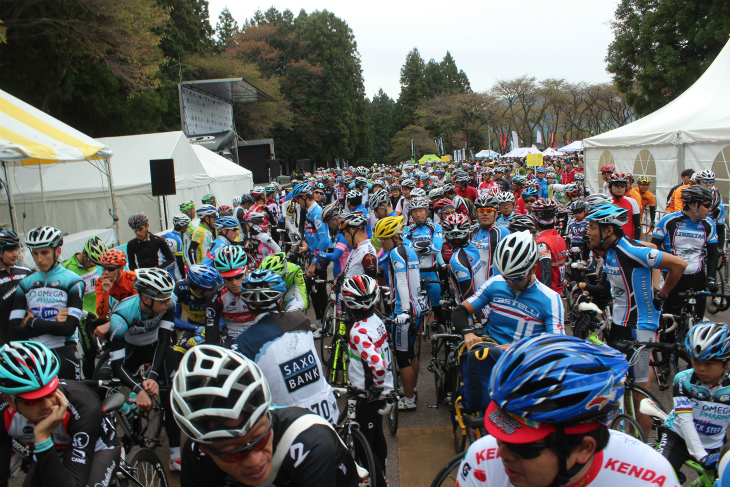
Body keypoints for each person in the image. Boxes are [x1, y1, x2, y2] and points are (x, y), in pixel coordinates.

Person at [456, 334, 680, 487]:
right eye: (500, 437)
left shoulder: (650, 478)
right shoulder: (482, 460)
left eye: (522, 448)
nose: (501, 453)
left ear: (583, 449)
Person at [172, 346, 361, 487]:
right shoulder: (197, 454)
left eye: (260, 439)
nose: (255, 462)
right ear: (206, 448)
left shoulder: (312, 445)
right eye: (232, 453)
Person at [583, 204, 686, 427]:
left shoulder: (630, 251)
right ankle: (625, 433)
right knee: (619, 386)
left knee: (640, 394)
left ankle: (640, 441)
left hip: (639, 327)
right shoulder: (613, 250)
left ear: (608, 230)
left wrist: (661, 294)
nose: (588, 231)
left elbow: (678, 264)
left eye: (591, 227)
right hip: (619, 324)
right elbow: (649, 245)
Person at [0, 341, 121, 487]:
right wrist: (43, 440)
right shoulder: (3, 412)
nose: (48, 404)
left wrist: (43, 436)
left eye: (50, 392)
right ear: (10, 400)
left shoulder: (83, 405)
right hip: (51, 448)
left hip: (97, 449)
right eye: (33, 400)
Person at [232, 269, 338, 423]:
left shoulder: (242, 341)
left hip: (289, 424)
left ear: (248, 307)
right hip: (329, 410)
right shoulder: (300, 318)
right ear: (280, 301)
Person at [107, 267, 181, 470]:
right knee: (103, 384)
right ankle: (113, 445)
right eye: (163, 300)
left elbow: (164, 340)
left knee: (169, 397)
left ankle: (175, 453)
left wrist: (154, 377)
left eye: (169, 298)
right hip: (132, 349)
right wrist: (139, 389)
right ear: (147, 299)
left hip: (158, 347)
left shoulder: (170, 303)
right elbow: (116, 365)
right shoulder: (121, 315)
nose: (169, 302)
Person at [452, 231, 564, 349]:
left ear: (533, 269)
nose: (510, 283)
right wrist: (467, 332)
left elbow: (557, 345)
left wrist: (515, 349)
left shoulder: (551, 299)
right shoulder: (495, 283)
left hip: (526, 362)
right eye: (506, 277)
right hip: (493, 356)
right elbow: (460, 311)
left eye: (517, 277)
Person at [9, 227, 83, 381]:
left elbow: (69, 328)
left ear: (58, 251)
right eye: (35, 253)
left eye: (44, 253)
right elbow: (14, 328)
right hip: (34, 354)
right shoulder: (26, 283)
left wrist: (31, 322)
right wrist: (53, 325)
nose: (39, 259)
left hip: (64, 352)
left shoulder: (73, 281)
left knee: (70, 400)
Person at [658, 323, 730, 478]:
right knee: (658, 478)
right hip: (678, 438)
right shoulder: (683, 380)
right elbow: (686, 421)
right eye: (696, 362)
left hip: (714, 445)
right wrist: (701, 456)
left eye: (709, 363)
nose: (701, 369)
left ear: (727, 363)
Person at [341, 274, 393, 487]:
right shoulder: (375, 319)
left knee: (365, 445)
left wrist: (375, 388)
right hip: (382, 391)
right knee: (376, 436)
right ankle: (382, 474)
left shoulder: (358, 330)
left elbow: (377, 364)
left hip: (368, 393)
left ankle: (377, 481)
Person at [374, 216, 429, 411]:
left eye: (384, 239)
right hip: (418, 307)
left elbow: (402, 283)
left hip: (404, 311)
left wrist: (403, 310)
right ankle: (411, 390)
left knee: (403, 356)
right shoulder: (408, 250)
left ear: (395, 236)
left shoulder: (396, 254)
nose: (382, 243)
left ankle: (409, 399)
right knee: (412, 353)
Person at [651, 185, 719, 320]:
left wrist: (711, 277)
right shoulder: (669, 220)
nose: (710, 209)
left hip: (697, 277)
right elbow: (653, 248)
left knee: (697, 318)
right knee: (670, 318)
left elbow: (713, 253)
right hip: (672, 276)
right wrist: (657, 279)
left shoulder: (709, 224)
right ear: (693, 205)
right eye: (707, 205)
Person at [62, 235, 107, 379]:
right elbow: (66, 300)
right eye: (93, 262)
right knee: (90, 351)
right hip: (83, 316)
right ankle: (90, 383)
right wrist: (85, 314)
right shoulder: (69, 268)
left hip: (98, 310)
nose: (95, 266)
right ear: (85, 255)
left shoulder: (92, 264)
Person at [172, 264, 222, 365]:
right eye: (212, 290)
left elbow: (225, 316)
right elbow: (172, 319)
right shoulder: (180, 288)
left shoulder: (218, 289)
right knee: (176, 355)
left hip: (215, 325)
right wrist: (196, 329)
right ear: (199, 290)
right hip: (193, 326)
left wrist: (207, 331)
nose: (216, 291)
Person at [204, 246, 254, 348]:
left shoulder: (259, 288)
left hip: (259, 334)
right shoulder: (216, 296)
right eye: (228, 278)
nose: (234, 282)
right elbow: (211, 334)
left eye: (238, 276)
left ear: (246, 270)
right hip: (234, 338)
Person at [443, 213, 487, 305]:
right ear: (468, 234)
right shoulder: (473, 247)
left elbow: (469, 298)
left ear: (446, 237)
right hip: (485, 305)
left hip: (472, 314)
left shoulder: (456, 260)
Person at [94, 249, 137, 334]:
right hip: (125, 316)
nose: (106, 272)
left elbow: (138, 309)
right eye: (104, 268)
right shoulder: (101, 282)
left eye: (111, 269)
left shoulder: (133, 278)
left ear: (121, 269)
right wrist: (105, 292)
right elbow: (101, 315)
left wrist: (110, 324)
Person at [0, 230, 30, 346]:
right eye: (10, 250)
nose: (16, 254)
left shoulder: (25, 272)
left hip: (26, 339)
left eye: (16, 249)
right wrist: (17, 288)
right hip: (4, 342)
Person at [532, 199, 568, 294]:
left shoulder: (542, 243)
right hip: (558, 290)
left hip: (548, 293)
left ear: (535, 220)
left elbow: (547, 273)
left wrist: (544, 296)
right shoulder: (559, 238)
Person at [472, 195, 510, 281]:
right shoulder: (473, 229)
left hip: (494, 283)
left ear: (496, 213)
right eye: (481, 210)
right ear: (476, 213)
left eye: (489, 210)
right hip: (474, 282)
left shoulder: (502, 232)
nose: (485, 213)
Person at [607, 173, 641, 240]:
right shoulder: (606, 202)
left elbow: (637, 225)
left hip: (629, 241)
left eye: (623, 185)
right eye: (616, 185)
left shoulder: (633, 202)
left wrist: (637, 242)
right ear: (610, 187)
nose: (620, 187)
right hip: (610, 241)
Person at [163, 213, 191, 280]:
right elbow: (180, 261)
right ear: (184, 227)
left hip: (164, 270)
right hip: (175, 272)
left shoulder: (166, 235)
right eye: (187, 226)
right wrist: (183, 277)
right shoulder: (178, 240)